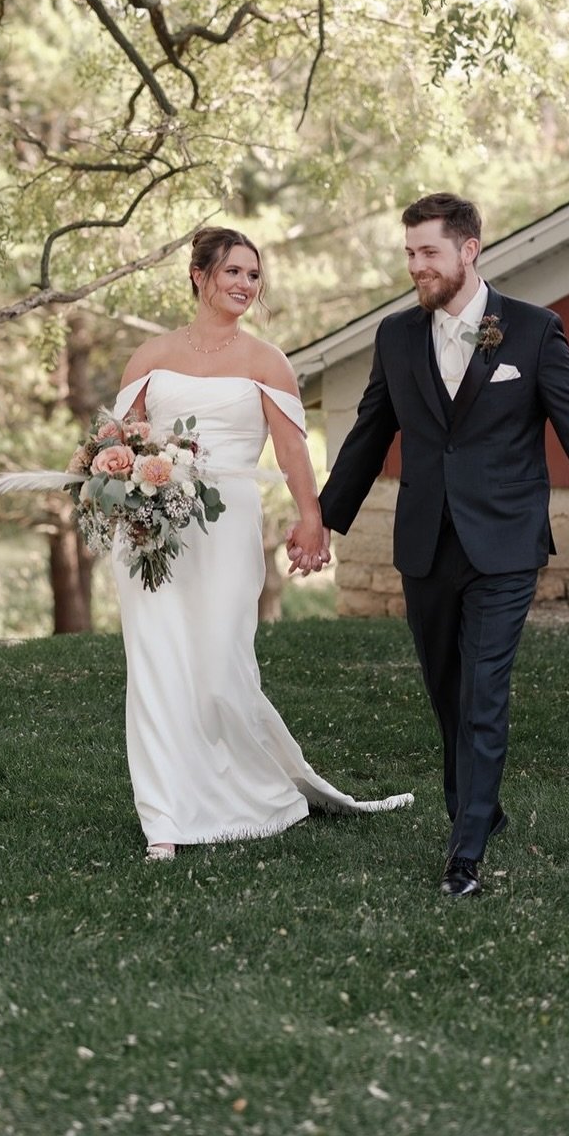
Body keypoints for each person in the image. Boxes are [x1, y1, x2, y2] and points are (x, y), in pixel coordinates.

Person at [288, 193, 569, 899]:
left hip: (505, 544)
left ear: (469, 250)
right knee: (446, 691)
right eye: (410, 252)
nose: (416, 265)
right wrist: (322, 519)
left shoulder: (534, 332)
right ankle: (484, 806)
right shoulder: (395, 337)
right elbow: (368, 435)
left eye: (429, 253)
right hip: (425, 542)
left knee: (482, 692)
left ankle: (464, 854)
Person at [113, 226, 411, 860]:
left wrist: (313, 518)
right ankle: (164, 819)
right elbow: (122, 441)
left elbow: (291, 447)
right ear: (199, 275)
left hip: (225, 525)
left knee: (221, 667)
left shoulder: (266, 360)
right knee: (157, 663)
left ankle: (255, 793)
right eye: (233, 273)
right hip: (150, 531)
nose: (246, 285)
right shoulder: (149, 356)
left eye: (253, 275)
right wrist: (123, 480)